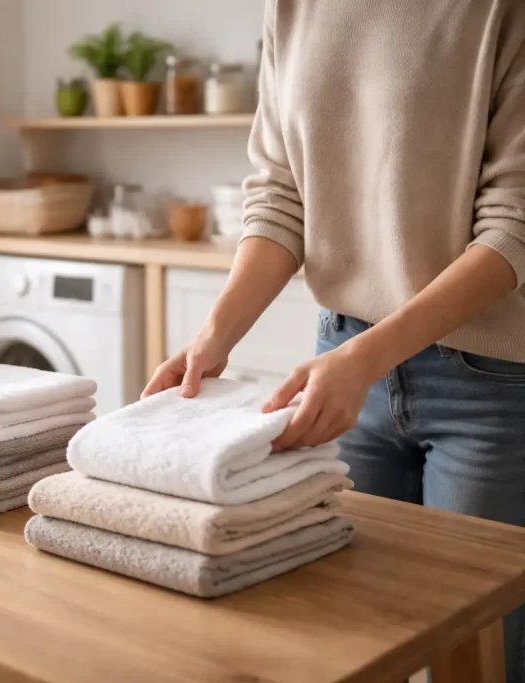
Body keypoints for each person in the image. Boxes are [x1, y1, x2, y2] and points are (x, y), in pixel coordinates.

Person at [143, 1, 525, 680]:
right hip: (344, 366)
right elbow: (282, 194)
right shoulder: (290, 8)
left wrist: (369, 355)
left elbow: (512, 226)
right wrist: (212, 338)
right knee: (344, 641)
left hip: (487, 388)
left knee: (480, 656)